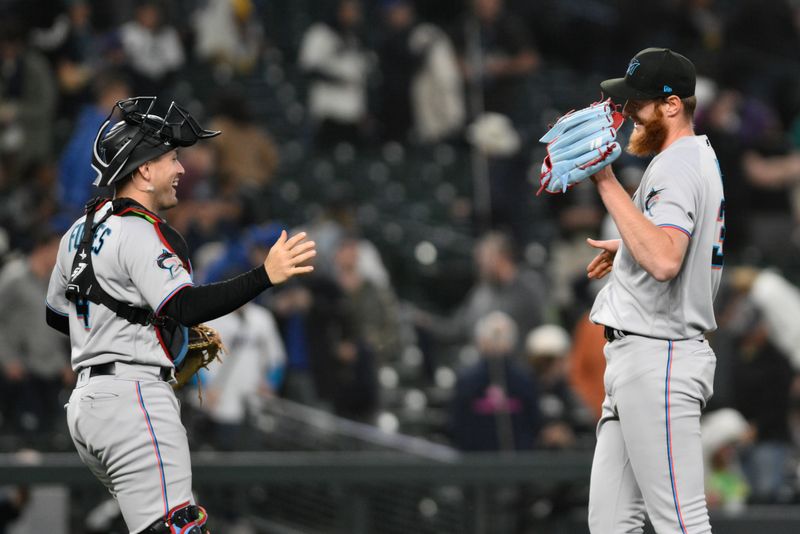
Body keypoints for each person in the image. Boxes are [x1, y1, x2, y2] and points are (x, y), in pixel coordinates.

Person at [44, 96, 316, 533]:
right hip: (133, 399)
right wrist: (265, 275)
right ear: (144, 169)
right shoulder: (142, 231)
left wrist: (132, 324)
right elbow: (185, 307)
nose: (181, 170)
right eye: (172, 158)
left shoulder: (78, 230)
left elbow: (59, 316)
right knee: (180, 528)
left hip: (86, 408)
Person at [584, 48, 725, 533]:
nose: (625, 112)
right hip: (641, 356)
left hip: (658, 354)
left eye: (636, 103)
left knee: (681, 524)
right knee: (610, 525)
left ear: (671, 106)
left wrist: (604, 180)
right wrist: (627, 249)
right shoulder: (691, 157)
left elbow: (665, 259)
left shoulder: (677, 165)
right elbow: (667, 251)